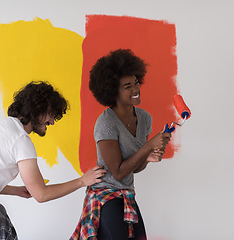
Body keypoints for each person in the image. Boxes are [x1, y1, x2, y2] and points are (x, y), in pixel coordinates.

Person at [0, 81, 107, 240]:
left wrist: (16, 191)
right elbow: (41, 194)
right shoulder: (20, 140)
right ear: (37, 108)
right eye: (51, 114)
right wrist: (83, 180)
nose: (52, 121)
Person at [70, 49, 172, 240]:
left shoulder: (144, 118)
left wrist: (149, 157)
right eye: (127, 86)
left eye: (136, 83)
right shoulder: (106, 123)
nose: (136, 89)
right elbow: (117, 172)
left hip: (127, 193)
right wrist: (148, 146)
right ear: (112, 91)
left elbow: (135, 167)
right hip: (105, 196)